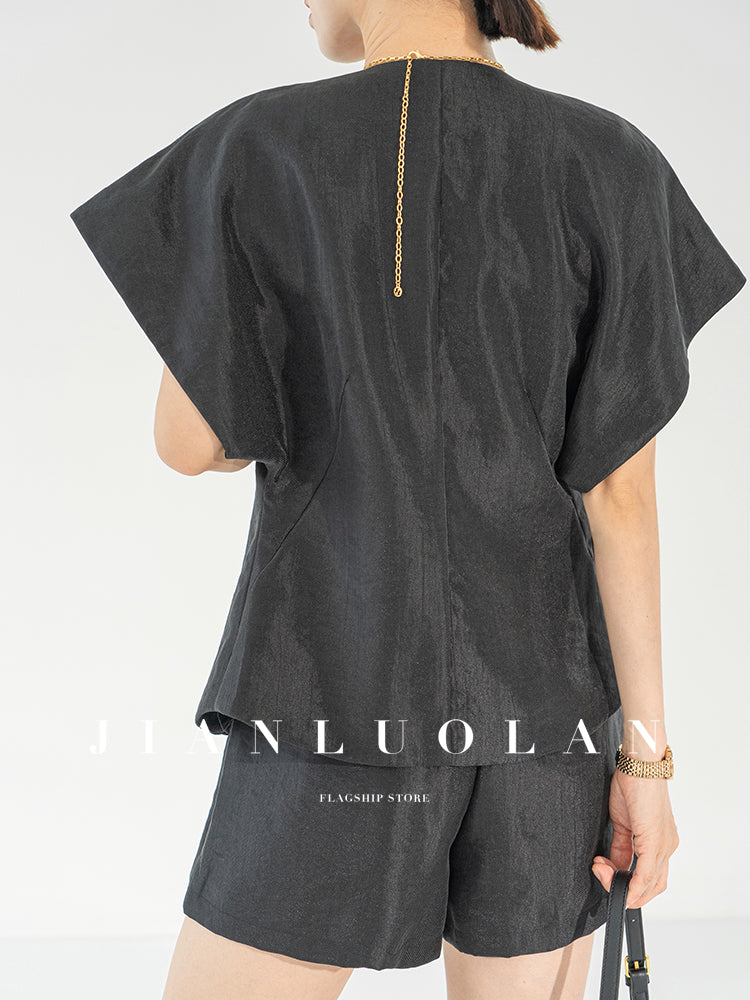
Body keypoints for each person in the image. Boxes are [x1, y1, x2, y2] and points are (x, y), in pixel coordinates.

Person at [69, 1, 745, 998]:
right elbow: (619, 494)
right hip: (546, 730)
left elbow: (189, 442)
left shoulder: (258, 145)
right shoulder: (612, 159)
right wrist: (644, 766)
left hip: (331, 703)